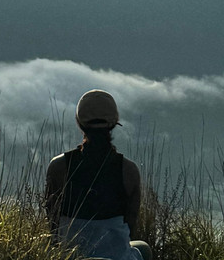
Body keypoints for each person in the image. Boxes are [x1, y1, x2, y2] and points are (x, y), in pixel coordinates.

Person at [45, 90, 153, 260]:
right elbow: (130, 228)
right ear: (114, 123)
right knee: (144, 248)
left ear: (80, 123)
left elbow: (53, 224)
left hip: (71, 257)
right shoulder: (129, 171)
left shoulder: (58, 167)